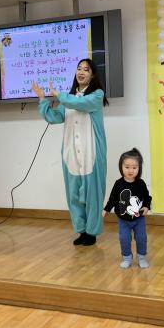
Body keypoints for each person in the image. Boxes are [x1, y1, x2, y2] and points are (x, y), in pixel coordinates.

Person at [32, 58, 108, 246]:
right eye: (79, 68)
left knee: (92, 196)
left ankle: (92, 232)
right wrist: (43, 99)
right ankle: (81, 230)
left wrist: (60, 95)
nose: (81, 72)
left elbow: (81, 103)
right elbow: (55, 117)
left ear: (93, 75)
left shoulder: (97, 95)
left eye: (86, 69)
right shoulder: (68, 98)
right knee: (74, 195)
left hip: (92, 153)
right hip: (71, 153)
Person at [103, 148, 152, 268]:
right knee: (124, 239)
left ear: (139, 168)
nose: (131, 170)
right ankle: (126, 257)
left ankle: (141, 257)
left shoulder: (140, 183)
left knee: (141, 238)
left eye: (134, 167)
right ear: (121, 167)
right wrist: (106, 209)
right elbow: (112, 199)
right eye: (127, 167)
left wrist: (146, 206)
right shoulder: (118, 184)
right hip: (123, 220)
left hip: (139, 218)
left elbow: (147, 197)